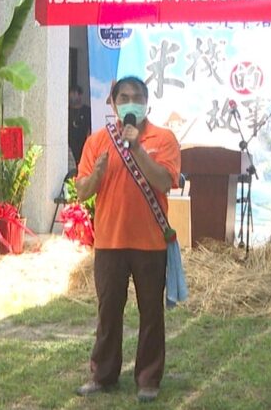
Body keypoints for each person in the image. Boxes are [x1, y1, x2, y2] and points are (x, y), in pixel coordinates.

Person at [74, 76, 181, 404]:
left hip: (150, 243)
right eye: (124, 97)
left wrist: (137, 149)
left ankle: (148, 378)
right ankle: (103, 375)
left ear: (146, 102)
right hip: (109, 241)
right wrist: (97, 174)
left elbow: (165, 182)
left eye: (137, 97)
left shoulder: (164, 138)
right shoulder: (97, 141)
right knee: (108, 312)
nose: (130, 102)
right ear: (113, 102)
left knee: (151, 313)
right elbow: (82, 191)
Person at [68, 85, 91, 166]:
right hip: (70, 147)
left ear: (80, 95)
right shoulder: (66, 111)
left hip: (83, 146)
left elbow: (90, 129)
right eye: (71, 93)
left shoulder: (87, 111)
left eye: (75, 93)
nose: (72, 96)